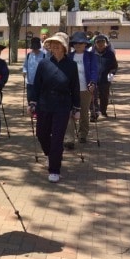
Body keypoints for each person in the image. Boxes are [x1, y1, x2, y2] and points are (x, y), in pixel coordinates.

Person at [27, 32, 80, 183]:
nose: (55, 47)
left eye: (58, 45)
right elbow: (36, 86)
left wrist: (77, 108)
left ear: (64, 47)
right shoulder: (44, 63)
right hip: (44, 104)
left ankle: (54, 169)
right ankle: (51, 155)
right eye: (52, 45)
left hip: (63, 105)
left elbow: (75, 87)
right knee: (41, 134)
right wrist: (32, 102)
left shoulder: (71, 65)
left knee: (57, 138)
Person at [63, 32, 98, 149]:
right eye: (76, 43)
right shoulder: (68, 56)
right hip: (71, 90)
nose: (78, 45)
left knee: (83, 113)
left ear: (85, 44)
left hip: (85, 89)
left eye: (81, 43)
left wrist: (93, 82)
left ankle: (83, 134)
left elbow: (94, 71)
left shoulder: (91, 56)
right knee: (69, 113)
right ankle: (69, 138)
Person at [91, 34, 119, 119]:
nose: (100, 44)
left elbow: (114, 66)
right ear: (95, 43)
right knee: (93, 97)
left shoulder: (110, 54)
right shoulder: (91, 54)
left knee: (104, 96)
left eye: (102, 42)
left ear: (106, 43)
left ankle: (103, 111)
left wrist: (112, 73)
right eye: (98, 42)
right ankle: (94, 113)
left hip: (105, 79)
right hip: (93, 79)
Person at [23, 37, 46, 105]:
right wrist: (24, 71)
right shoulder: (28, 55)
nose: (35, 50)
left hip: (40, 82)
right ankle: (31, 111)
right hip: (30, 81)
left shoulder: (44, 55)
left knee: (39, 98)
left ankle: (38, 112)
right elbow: (25, 65)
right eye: (33, 48)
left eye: (36, 48)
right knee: (30, 98)